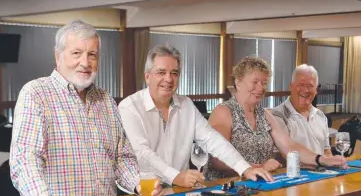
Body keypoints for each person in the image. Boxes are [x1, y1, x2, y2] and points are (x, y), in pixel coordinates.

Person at [10, 20, 164, 196]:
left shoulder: (105, 100)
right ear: (58, 57)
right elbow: (24, 160)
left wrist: (138, 184)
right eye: (77, 53)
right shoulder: (36, 93)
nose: (86, 62)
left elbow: (121, 157)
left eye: (92, 54)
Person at [118, 45, 273, 188]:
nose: (169, 79)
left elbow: (212, 139)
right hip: (143, 193)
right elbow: (142, 153)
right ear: (147, 77)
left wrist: (244, 168)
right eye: (161, 72)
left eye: (174, 73)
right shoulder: (129, 107)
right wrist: (176, 177)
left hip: (179, 191)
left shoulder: (186, 105)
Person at [204, 56, 346, 181]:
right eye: (255, 82)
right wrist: (257, 167)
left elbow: (290, 147)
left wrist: (321, 159)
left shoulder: (264, 115)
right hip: (225, 190)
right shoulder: (223, 111)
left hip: (257, 185)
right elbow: (218, 158)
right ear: (238, 82)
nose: (260, 88)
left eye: (264, 83)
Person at [272, 64, 332, 156]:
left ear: (316, 90)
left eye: (310, 86)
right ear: (291, 86)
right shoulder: (278, 116)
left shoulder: (320, 115)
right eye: (301, 85)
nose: (306, 90)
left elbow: (326, 152)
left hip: (321, 169)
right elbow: (281, 156)